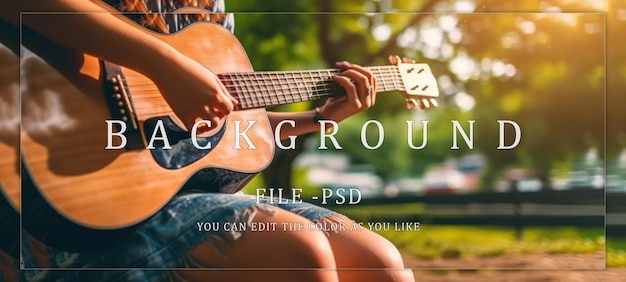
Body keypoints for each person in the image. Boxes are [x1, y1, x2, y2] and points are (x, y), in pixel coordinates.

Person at [3, 1, 415, 281]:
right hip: (66, 212)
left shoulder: (212, 8)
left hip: (172, 195)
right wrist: (164, 64)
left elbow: (220, 127)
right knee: (295, 249)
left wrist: (319, 119)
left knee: (380, 264)